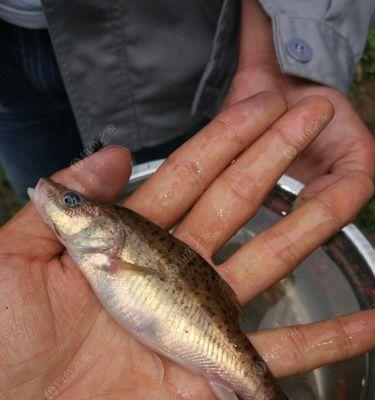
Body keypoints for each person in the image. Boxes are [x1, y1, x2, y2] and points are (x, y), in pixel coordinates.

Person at [0, 93, 374, 399]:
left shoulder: (105, 252)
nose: (56, 195)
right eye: (71, 201)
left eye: (69, 203)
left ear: (108, 230)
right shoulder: (101, 252)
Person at [0, 0, 374, 204]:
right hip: (9, 79)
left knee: (169, 194)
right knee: (37, 184)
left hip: (165, 63)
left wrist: (283, 49)